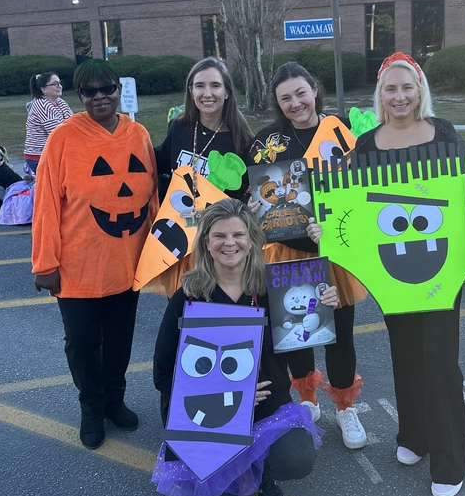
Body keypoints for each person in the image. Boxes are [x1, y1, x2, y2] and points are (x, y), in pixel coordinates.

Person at [153, 198, 333, 496]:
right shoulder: (188, 296)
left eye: (238, 234)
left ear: (252, 238)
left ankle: (259, 471)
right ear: (205, 241)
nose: (229, 243)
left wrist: (323, 308)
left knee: (298, 458)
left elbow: (300, 345)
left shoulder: (275, 288)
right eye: (219, 235)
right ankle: (209, 483)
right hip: (205, 415)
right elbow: (162, 375)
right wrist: (230, 396)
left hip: (264, 405)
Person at [354, 52, 465, 496]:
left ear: (420, 90)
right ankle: (415, 437)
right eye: (390, 88)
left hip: (442, 267)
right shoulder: (366, 145)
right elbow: (359, 213)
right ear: (380, 95)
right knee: (405, 355)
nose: (399, 96)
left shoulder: (443, 134)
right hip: (392, 268)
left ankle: (450, 459)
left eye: (407, 87)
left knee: (440, 361)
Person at [32, 59, 158, 449]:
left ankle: (114, 399)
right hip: (78, 267)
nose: (100, 97)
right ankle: (91, 406)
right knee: (83, 343)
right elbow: (47, 204)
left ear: (118, 90)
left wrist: (159, 253)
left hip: (126, 264)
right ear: (80, 96)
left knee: (120, 339)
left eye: (107, 89)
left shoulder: (138, 135)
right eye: (90, 92)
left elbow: (151, 197)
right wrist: (45, 263)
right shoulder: (64, 138)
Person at [248, 62, 368, 450]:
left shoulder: (342, 133)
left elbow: (364, 191)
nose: (295, 103)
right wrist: (252, 207)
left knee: (340, 334)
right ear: (277, 102)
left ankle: (346, 407)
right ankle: (307, 397)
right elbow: (257, 195)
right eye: (286, 98)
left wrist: (334, 229)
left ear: (315, 90)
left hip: (335, 250)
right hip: (287, 249)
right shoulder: (266, 143)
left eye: (301, 93)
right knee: (297, 331)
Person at [155, 56, 252, 203]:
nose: (207, 94)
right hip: (176, 221)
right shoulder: (179, 127)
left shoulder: (242, 140)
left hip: (219, 224)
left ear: (226, 92)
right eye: (200, 86)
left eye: (215, 85)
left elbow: (248, 193)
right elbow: (157, 162)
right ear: (191, 91)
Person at [24, 72, 73, 175]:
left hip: (54, 154)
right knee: (53, 187)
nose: (59, 86)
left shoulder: (60, 102)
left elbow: (73, 122)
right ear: (44, 89)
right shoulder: (41, 104)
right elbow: (57, 132)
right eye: (55, 84)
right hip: (39, 156)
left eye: (60, 83)